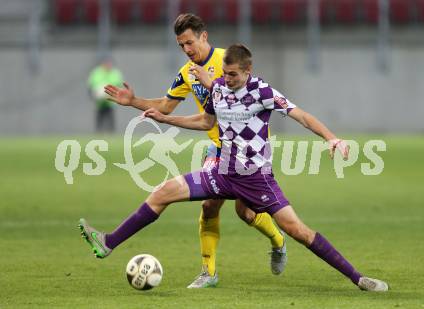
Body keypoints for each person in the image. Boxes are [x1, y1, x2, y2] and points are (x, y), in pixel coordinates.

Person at [79, 44, 389, 292]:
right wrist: (165, 119)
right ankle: (109, 243)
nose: (227, 80)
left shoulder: (262, 92)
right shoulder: (218, 89)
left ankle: (358, 279)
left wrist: (332, 139)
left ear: (248, 70)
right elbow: (206, 121)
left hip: (256, 179)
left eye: (233, 75)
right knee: (162, 192)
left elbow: (302, 116)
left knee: (299, 231)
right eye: (224, 74)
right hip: (222, 172)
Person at [103, 13, 286, 288]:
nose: (187, 50)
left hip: (249, 151)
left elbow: (249, 99)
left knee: (246, 214)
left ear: (204, 36)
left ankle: (278, 240)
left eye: (190, 42)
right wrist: (133, 101)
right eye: (181, 46)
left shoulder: (228, 62)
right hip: (217, 149)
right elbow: (166, 106)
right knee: (209, 205)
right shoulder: (187, 73)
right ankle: (208, 272)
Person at [88, 57, 124, 133]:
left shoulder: (115, 73)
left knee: (110, 118)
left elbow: (120, 85)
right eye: (106, 63)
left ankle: (111, 134)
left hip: (110, 101)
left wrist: (115, 94)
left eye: (109, 63)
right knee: (99, 118)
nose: (108, 65)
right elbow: (91, 85)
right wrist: (93, 95)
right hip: (99, 102)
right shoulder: (96, 72)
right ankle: (98, 133)